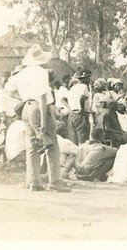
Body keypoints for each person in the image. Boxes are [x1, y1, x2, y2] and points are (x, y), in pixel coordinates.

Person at [15, 45, 70, 192]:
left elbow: (9, 90)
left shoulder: (21, 74)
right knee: (51, 145)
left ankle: (33, 181)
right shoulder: (41, 72)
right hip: (39, 108)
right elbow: (42, 96)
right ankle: (55, 181)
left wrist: (25, 98)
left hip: (27, 107)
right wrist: (44, 121)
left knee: (32, 145)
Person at [66, 68, 93, 144]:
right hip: (81, 114)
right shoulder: (84, 86)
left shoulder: (73, 88)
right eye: (88, 77)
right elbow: (82, 98)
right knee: (83, 141)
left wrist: (70, 107)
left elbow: (64, 99)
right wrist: (82, 109)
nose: (89, 79)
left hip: (72, 114)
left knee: (74, 141)